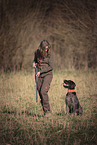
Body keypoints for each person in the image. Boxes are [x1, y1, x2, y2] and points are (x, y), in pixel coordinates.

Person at [33, 40, 54, 116]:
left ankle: (48, 112)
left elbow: (51, 67)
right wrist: (34, 63)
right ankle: (45, 111)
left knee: (43, 91)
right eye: (45, 48)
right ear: (41, 48)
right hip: (39, 75)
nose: (46, 50)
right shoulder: (37, 52)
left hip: (47, 74)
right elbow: (35, 60)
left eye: (47, 48)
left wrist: (40, 72)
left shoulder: (50, 54)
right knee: (40, 92)